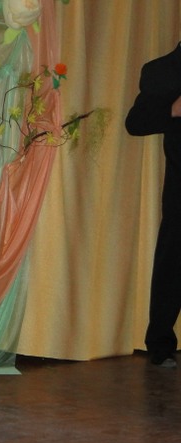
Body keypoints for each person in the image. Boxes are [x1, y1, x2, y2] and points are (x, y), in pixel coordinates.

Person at [125, 43, 181, 368]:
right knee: (173, 263)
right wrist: (173, 109)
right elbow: (135, 122)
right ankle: (160, 343)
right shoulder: (162, 70)